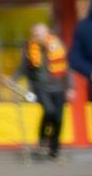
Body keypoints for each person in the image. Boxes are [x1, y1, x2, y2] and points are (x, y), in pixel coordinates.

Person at [19, 22, 70, 160]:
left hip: (58, 87)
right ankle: (42, 138)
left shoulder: (57, 45)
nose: (38, 37)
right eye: (35, 35)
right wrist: (13, 78)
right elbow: (23, 67)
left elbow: (66, 67)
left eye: (40, 34)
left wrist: (70, 87)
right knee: (49, 111)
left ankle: (54, 149)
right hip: (40, 87)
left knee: (58, 119)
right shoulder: (29, 48)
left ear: (47, 33)